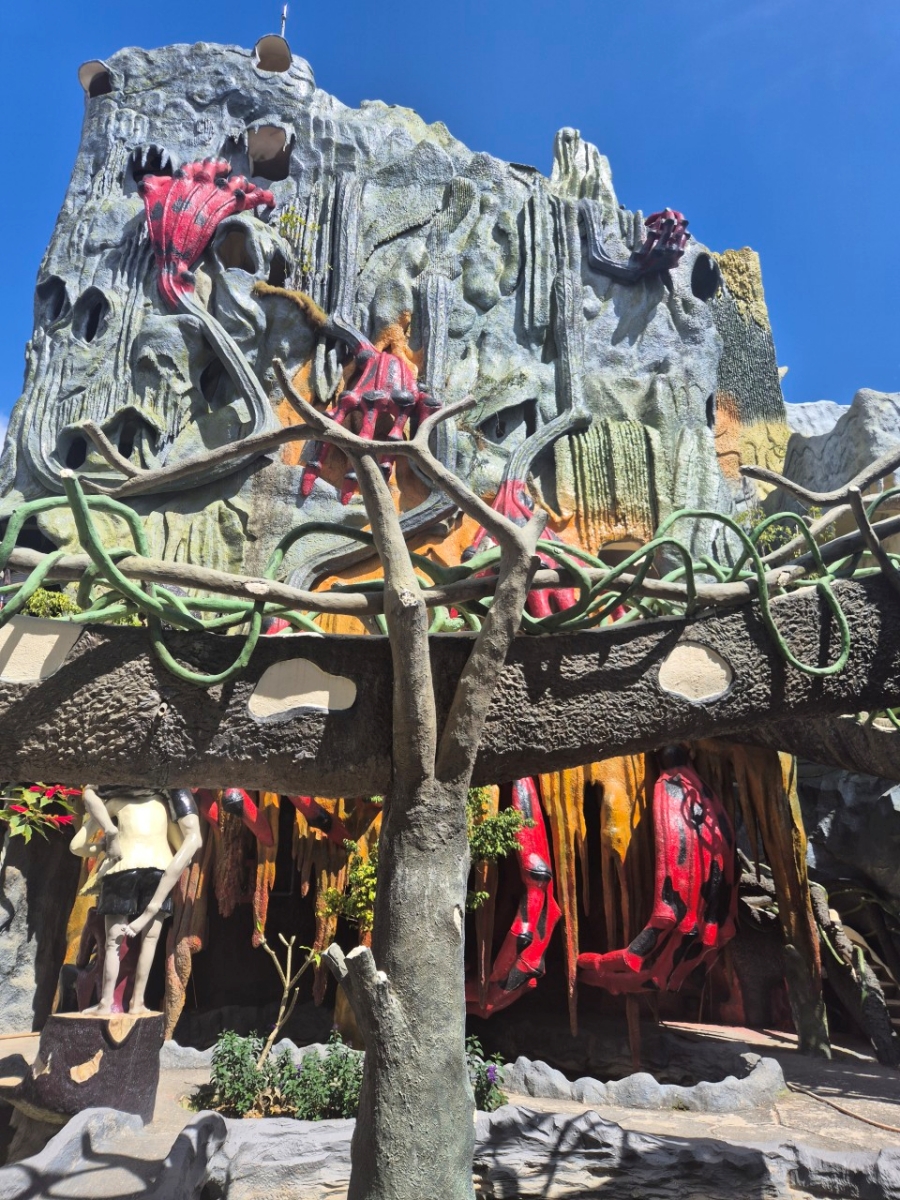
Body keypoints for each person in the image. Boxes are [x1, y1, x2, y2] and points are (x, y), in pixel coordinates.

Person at [69, 785, 202, 1015]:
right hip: (160, 869)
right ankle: (137, 1002)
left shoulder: (111, 803)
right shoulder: (164, 806)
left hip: (121, 867)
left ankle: (105, 1002)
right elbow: (184, 848)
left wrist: (101, 846)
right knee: (150, 939)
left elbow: (76, 846)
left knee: (113, 941)